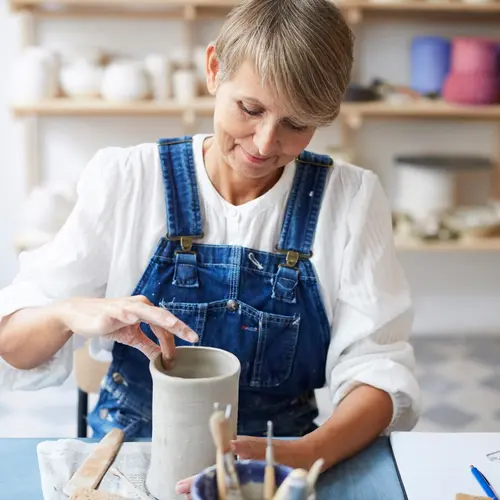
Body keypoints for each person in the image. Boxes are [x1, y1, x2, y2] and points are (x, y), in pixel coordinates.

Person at [0, 0, 420, 484]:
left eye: (296, 124)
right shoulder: (127, 180)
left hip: (277, 461)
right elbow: (13, 345)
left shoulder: (350, 199)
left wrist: (310, 451)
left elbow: (378, 369)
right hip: (130, 455)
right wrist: (65, 312)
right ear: (214, 68)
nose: (265, 143)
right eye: (251, 109)